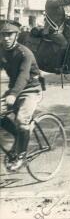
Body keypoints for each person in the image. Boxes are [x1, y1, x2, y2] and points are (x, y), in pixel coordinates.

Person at [0, 20, 43, 171]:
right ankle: (19, 137)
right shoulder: (2, 51)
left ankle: (21, 155)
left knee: (21, 120)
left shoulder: (25, 53)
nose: (6, 38)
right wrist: (11, 94)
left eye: (9, 35)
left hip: (31, 90)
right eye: (3, 35)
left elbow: (23, 76)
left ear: (16, 36)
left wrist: (13, 94)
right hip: (14, 91)